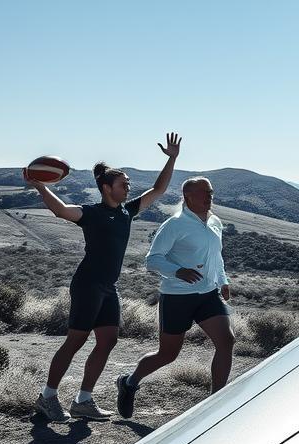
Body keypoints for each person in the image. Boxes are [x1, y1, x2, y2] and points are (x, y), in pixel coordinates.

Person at [25, 133, 181, 422]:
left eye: (129, 184)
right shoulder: (91, 213)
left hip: (109, 287)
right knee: (75, 340)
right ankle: (47, 396)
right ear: (107, 187)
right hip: (87, 285)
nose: (129, 187)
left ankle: (83, 400)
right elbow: (61, 211)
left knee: (108, 340)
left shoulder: (126, 211)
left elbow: (158, 189)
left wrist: (171, 158)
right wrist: (41, 187)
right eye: (124, 184)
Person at [117, 176, 233, 418]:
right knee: (168, 354)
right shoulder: (174, 225)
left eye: (211, 192)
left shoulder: (215, 222)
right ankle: (129, 382)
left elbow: (217, 256)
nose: (209, 197)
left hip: (208, 294)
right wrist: (177, 270)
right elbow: (153, 259)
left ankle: (215, 404)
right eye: (204, 193)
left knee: (226, 341)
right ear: (188, 196)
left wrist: (223, 281)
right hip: (178, 297)